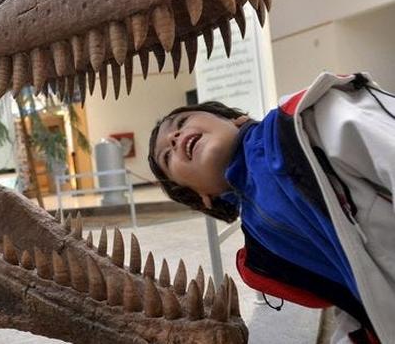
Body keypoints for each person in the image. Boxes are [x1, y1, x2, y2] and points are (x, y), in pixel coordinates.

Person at [148, 72, 394, 344]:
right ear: (201, 196)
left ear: (235, 118)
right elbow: (358, 299)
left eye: (181, 122)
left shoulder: (313, 117)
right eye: (167, 156)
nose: (174, 137)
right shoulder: (263, 250)